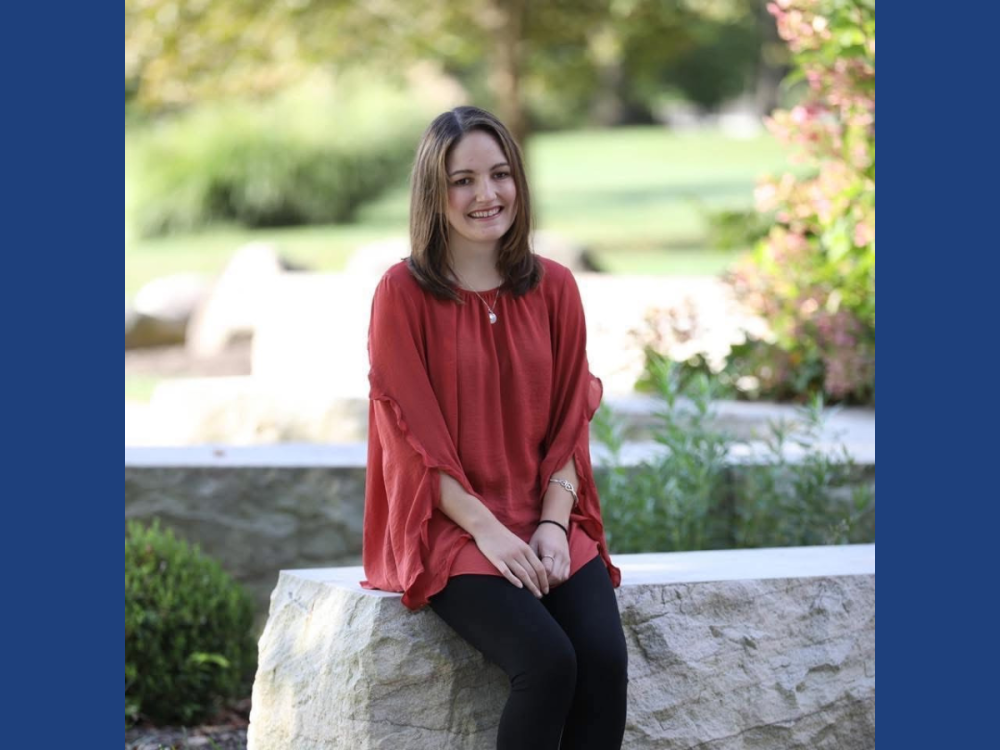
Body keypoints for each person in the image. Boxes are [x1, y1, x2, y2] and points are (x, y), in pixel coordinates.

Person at [360, 106, 628, 750]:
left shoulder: (556, 288)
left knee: (603, 660)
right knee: (547, 662)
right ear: (435, 192)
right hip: (449, 526)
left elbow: (570, 420)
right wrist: (488, 530)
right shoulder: (402, 294)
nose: (487, 195)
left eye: (500, 175)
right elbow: (411, 441)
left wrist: (553, 525)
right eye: (463, 181)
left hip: (545, 517)